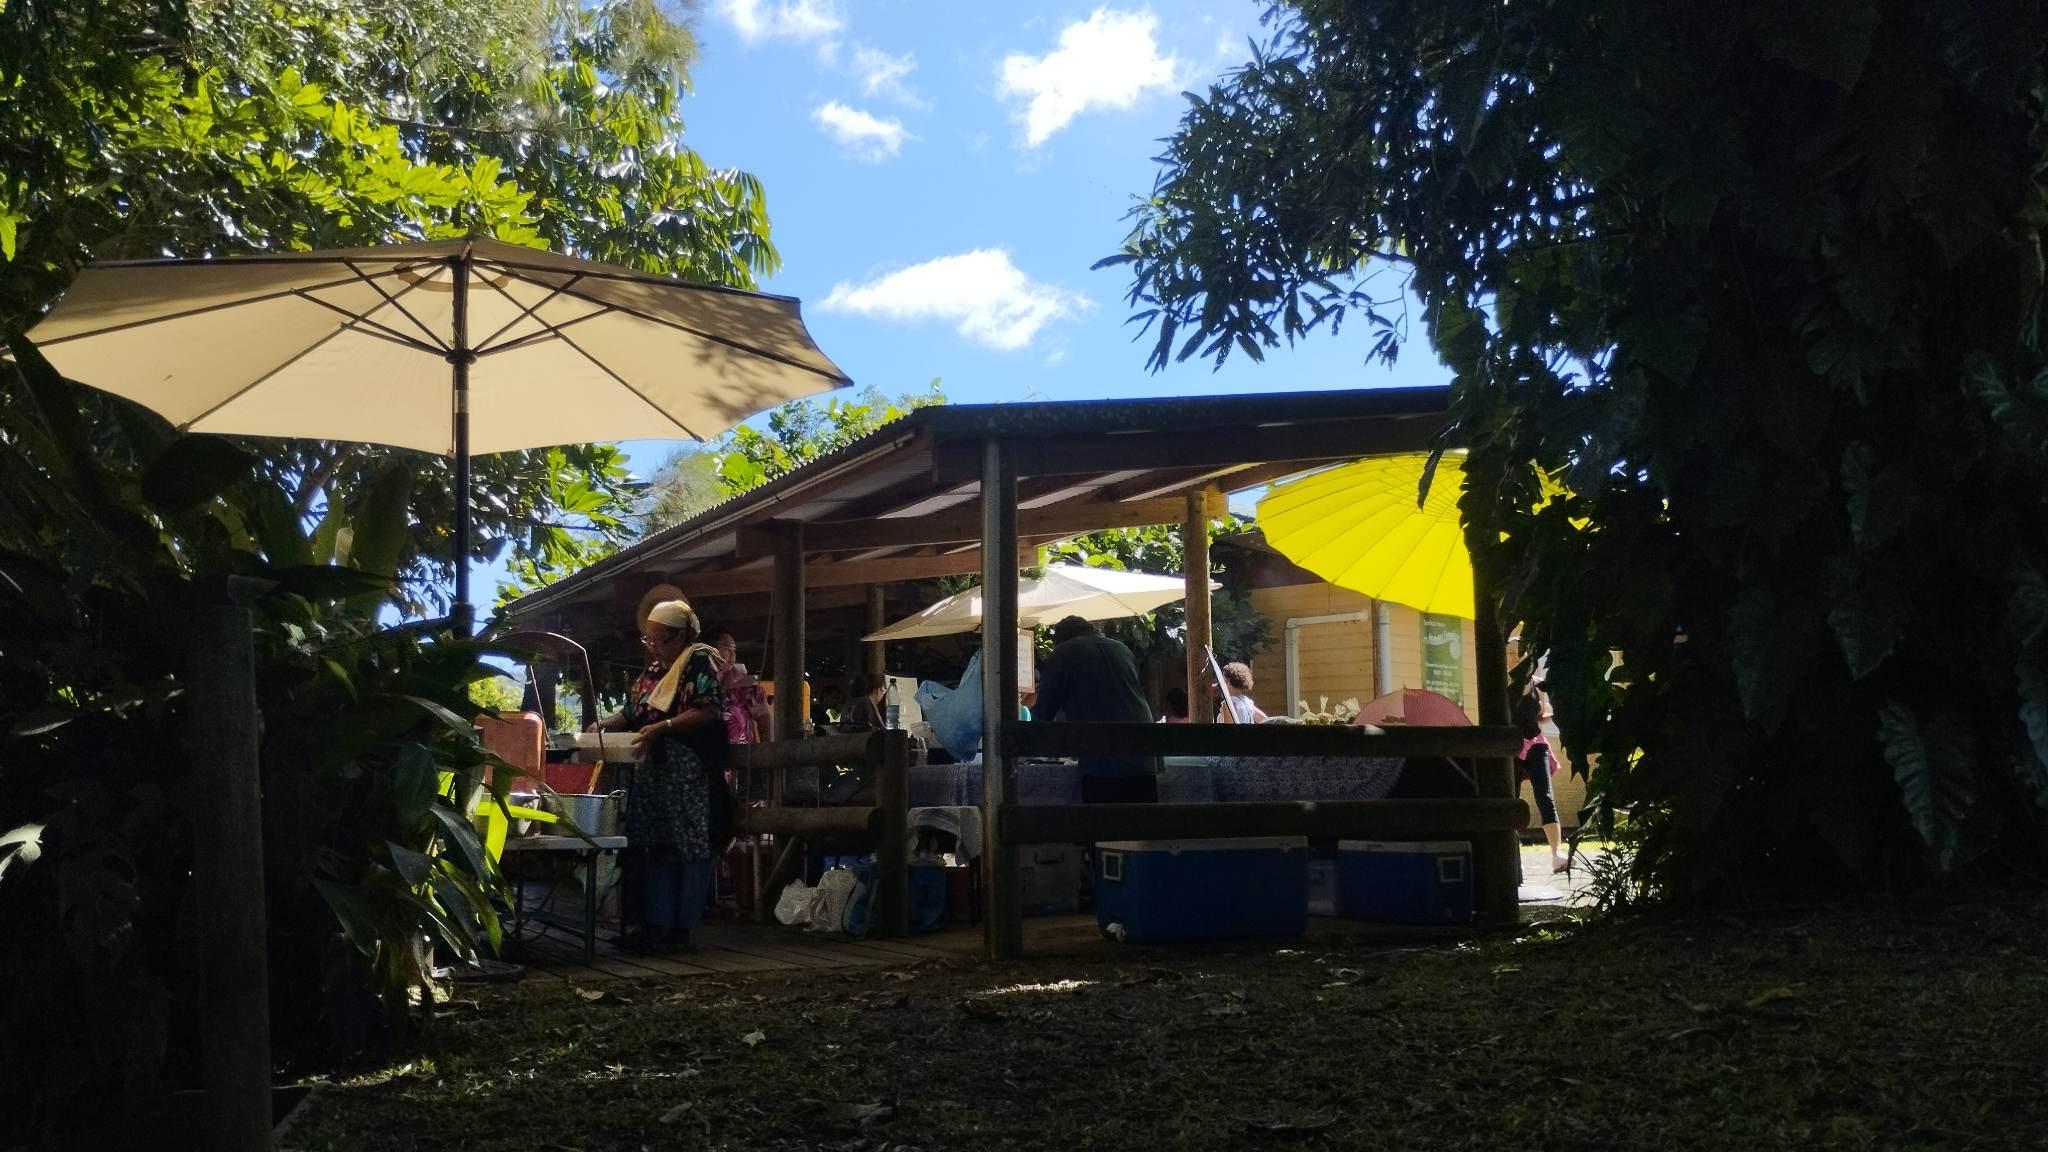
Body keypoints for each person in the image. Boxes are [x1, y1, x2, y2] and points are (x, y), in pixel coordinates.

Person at [588, 598, 725, 952]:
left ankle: (681, 927)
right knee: (653, 844)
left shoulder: (698, 660)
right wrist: (602, 726)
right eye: (649, 641)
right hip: (650, 771)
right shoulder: (653, 671)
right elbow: (633, 714)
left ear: (682, 637)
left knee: (686, 844)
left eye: (662, 640)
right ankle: (652, 924)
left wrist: (665, 726)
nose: (655, 648)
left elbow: (708, 710)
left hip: (685, 769)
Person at [1032, 616, 1157, 802]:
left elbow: (1044, 712)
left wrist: (1031, 744)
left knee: (1101, 823)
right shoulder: (1122, 649)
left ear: (1061, 640)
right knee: (1142, 824)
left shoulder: (1065, 652)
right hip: (1145, 753)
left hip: (1103, 757)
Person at [1516, 677, 1567, 873]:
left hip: (1536, 743)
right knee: (1512, 797)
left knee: (1545, 796)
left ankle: (1557, 854)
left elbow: (1542, 715)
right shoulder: (1502, 680)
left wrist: (1557, 714)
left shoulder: (1537, 683)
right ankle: (1513, 856)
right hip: (1512, 745)